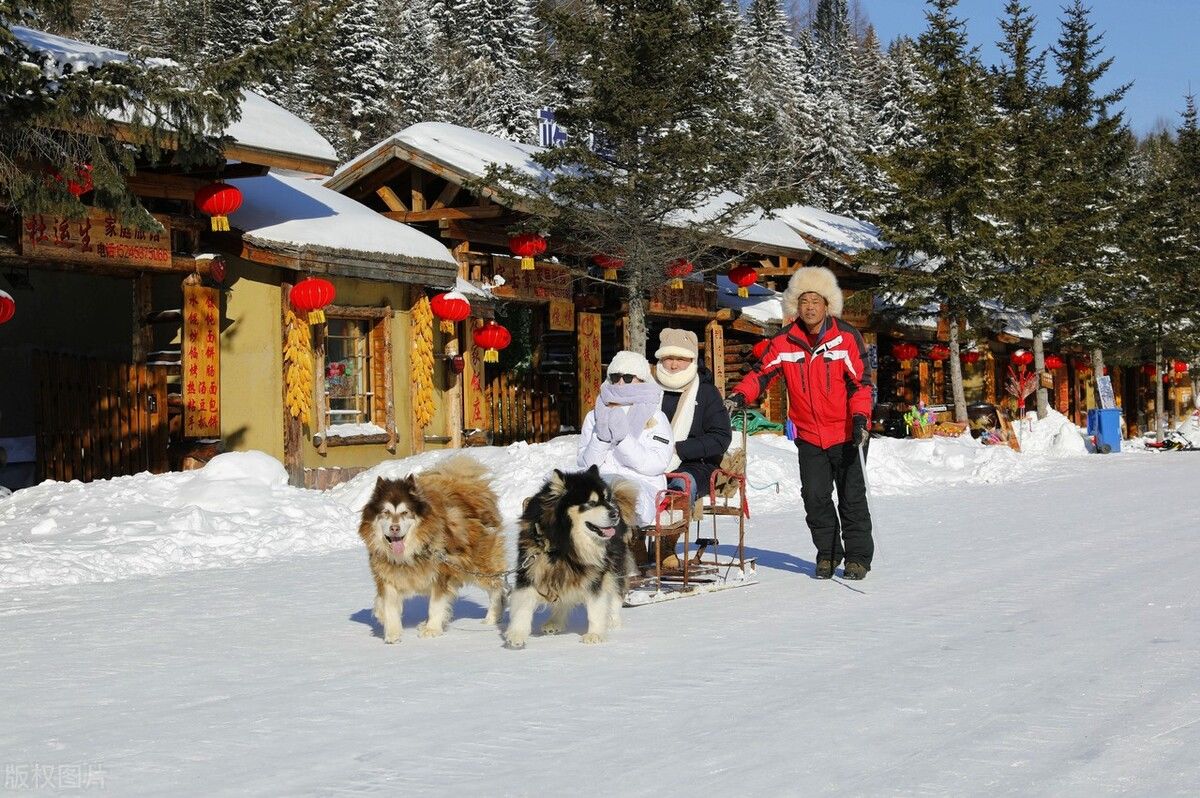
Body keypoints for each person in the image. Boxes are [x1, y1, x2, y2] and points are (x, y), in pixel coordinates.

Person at [725, 266, 875, 580]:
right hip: (809, 435)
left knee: (851, 497)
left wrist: (861, 419)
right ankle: (828, 555)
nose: (809, 307)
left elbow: (862, 384)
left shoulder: (846, 337)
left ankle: (858, 558)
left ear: (827, 305)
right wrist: (739, 395)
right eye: (803, 301)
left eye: (815, 301)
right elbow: (761, 374)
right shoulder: (785, 341)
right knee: (815, 497)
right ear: (796, 305)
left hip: (849, 432)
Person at [653, 328, 732, 567]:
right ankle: (635, 544)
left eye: (680, 359)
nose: (674, 365)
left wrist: (680, 449)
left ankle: (666, 545)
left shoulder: (706, 392)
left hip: (694, 462)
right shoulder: (650, 388)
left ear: (691, 361)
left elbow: (721, 437)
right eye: (669, 358)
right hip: (650, 458)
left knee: (680, 485)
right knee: (629, 487)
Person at [578, 351, 675, 542]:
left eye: (628, 377)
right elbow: (585, 463)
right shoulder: (595, 415)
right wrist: (602, 439)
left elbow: (656, 463)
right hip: (599, 483)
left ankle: (625, 546)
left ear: (642, 380)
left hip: (641, 484)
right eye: (615, 377)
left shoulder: (655, 416)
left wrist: (623, 440)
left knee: (617, 497)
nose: (621, 383)